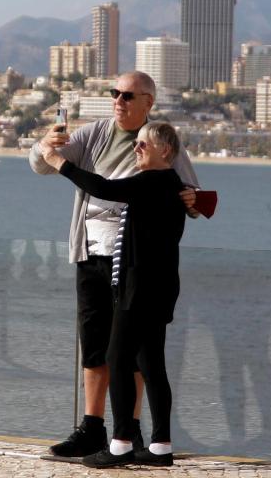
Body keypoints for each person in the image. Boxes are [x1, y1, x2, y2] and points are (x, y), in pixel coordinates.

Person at [29, 71, 200, 458]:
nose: (119, 101)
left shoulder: (160, 142)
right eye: (115, 94)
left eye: (127, 95)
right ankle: (95, 428)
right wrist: (45, 146)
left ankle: (129, 435)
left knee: (131, 353)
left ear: (147, 103)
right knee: (95, 345)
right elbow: (40, 165)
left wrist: (191, 200)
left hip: (131, 261)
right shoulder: (95, 133)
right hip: (91, 253)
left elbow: (190, 192)